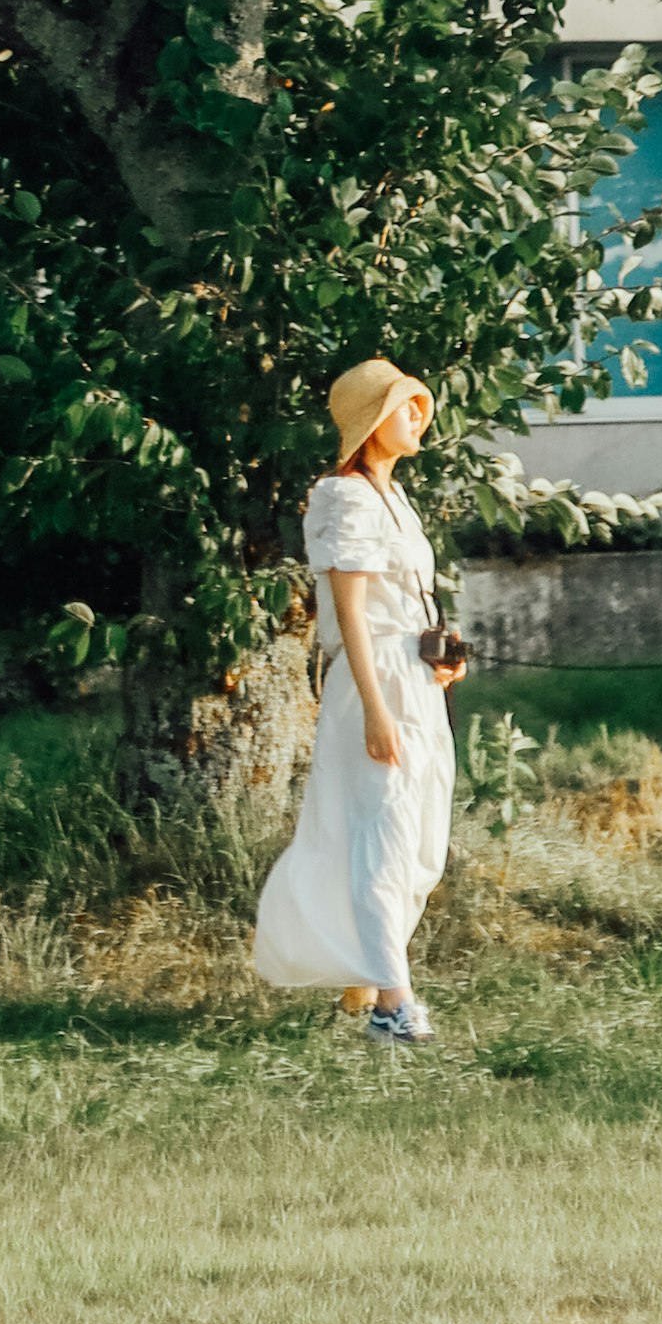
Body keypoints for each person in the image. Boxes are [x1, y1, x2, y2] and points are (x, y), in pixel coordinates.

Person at [251, 358, 457, 1044]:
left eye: (420, 405)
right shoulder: (344, 497)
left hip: (413, 679)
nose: (418, 416)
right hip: (376, 681)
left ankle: (365, 977)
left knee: (423, 842)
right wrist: (375, 706)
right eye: (405, 407)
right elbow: (353, 613)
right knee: (385, 836)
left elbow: (406, 605)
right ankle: (391, 1006)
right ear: (372, 422)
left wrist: (437, 664)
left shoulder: (393, 497)